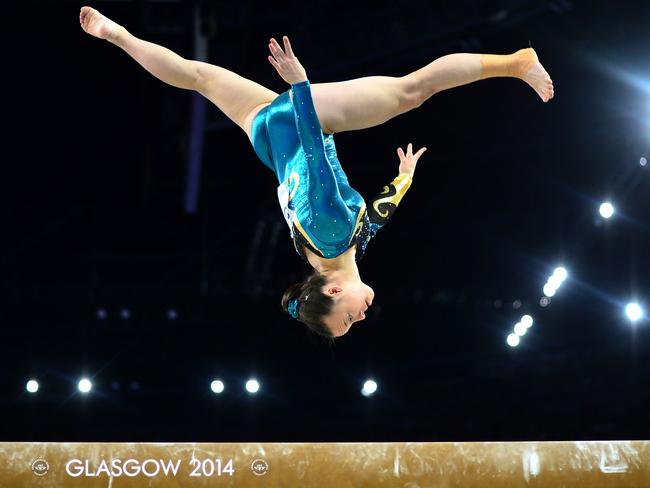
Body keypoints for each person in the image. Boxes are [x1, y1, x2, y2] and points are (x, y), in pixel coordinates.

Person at [79, 6, 554, 340]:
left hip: (299, 123)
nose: (360, 320)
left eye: (346, 320)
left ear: (332, 292)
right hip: (267, 138)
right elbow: (376, 218)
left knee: (412, 92)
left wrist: (301, 86)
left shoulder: (329, 236)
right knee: (196, 76)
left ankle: (515, 62)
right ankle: (118, 35)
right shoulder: (333, 255)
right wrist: (404, 177)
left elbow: (317, 155)